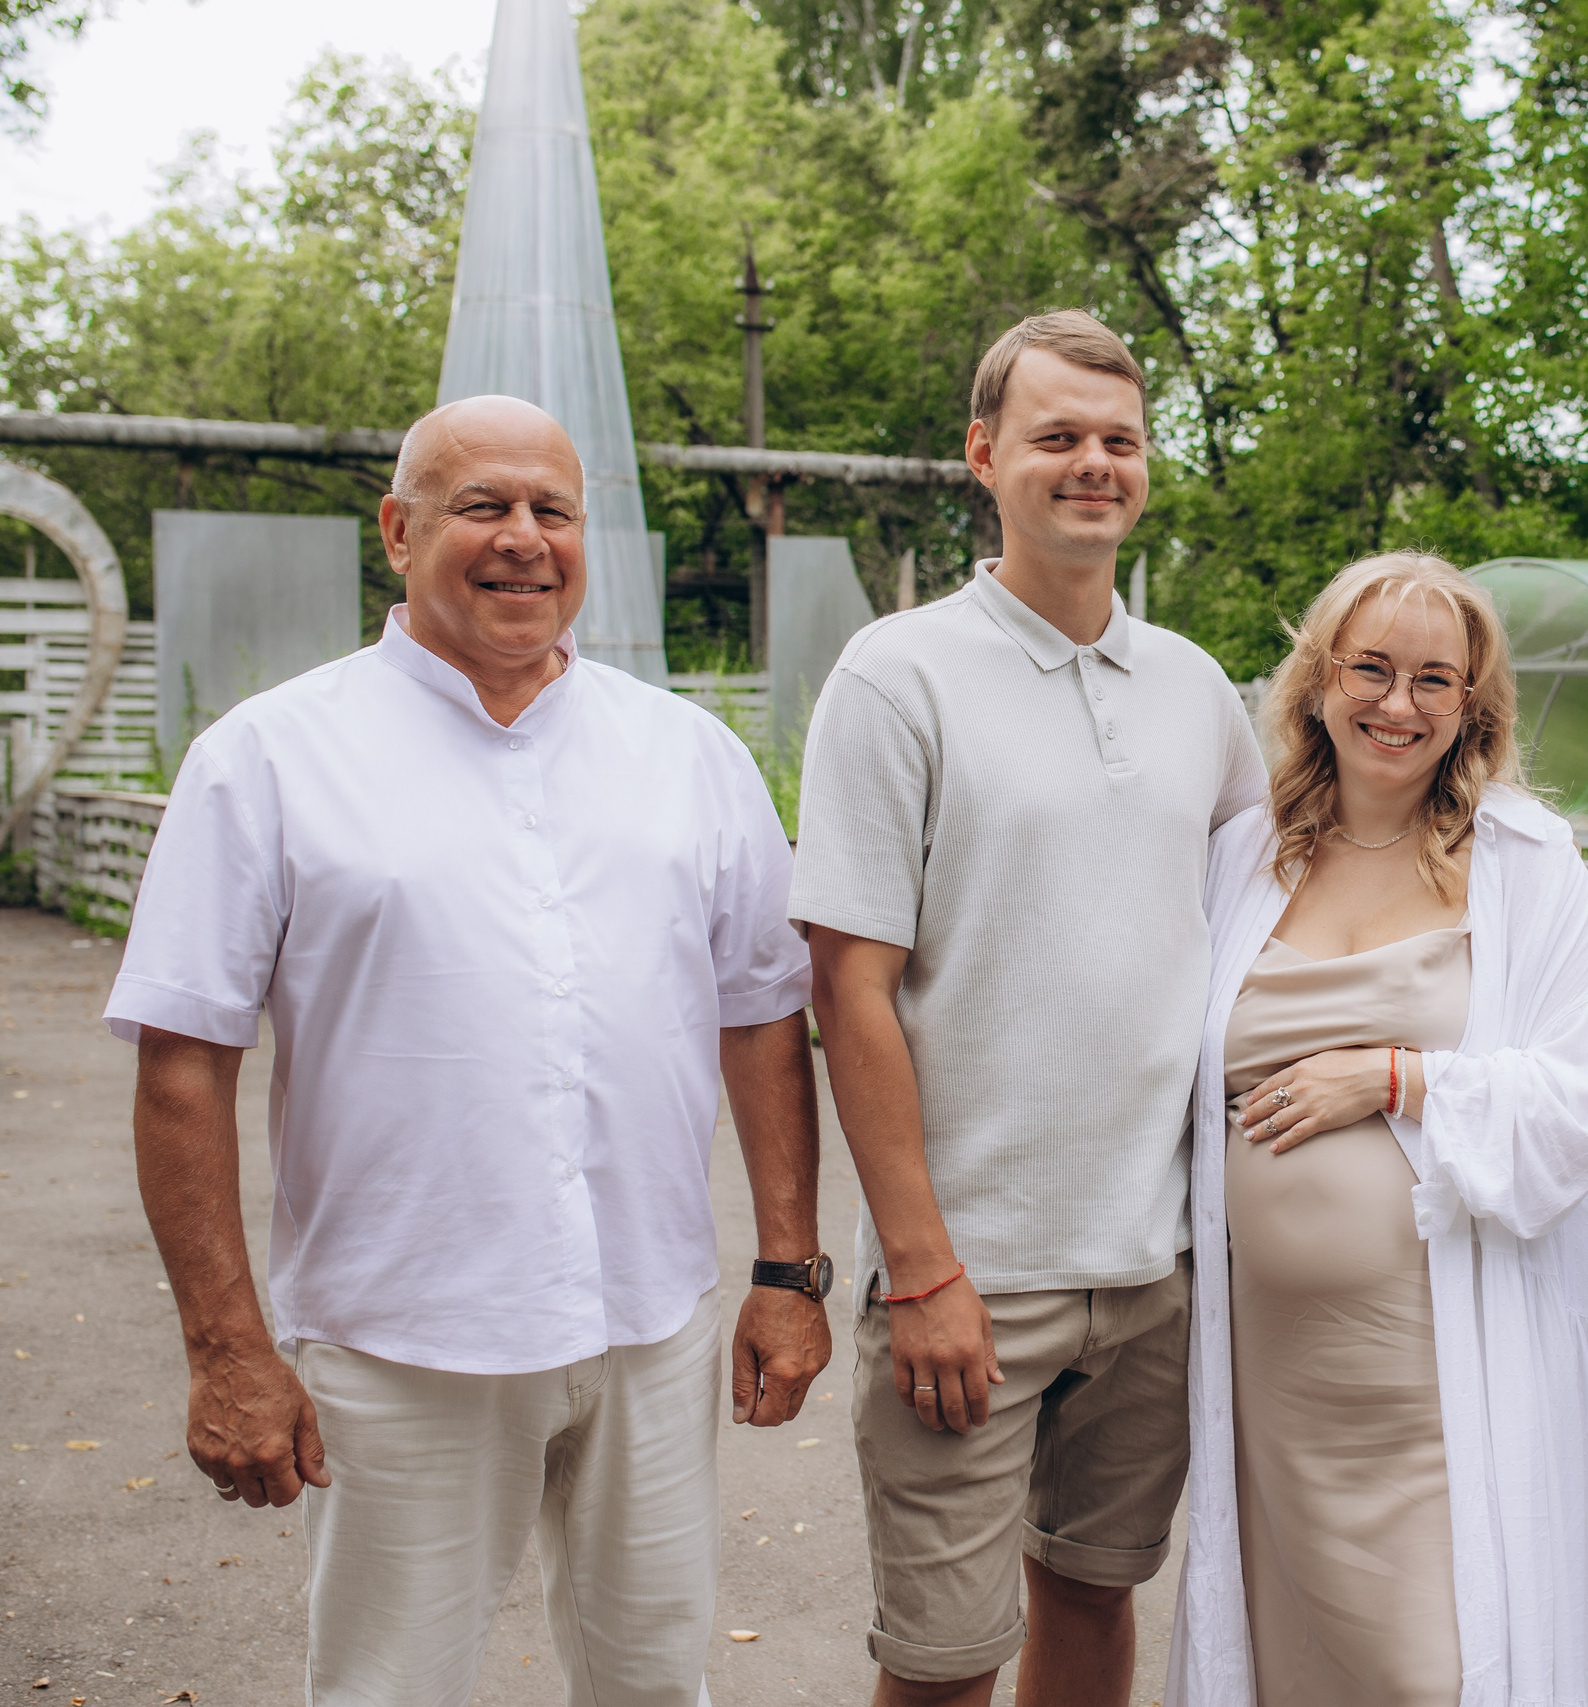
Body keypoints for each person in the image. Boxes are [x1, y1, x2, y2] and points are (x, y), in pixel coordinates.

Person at [108, 394, 830, 1707]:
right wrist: (227, 1350)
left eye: (552, 509)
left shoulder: (687, 756)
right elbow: (180, 1063)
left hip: (648, 1323)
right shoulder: (268, 760)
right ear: (398, 529)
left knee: (658, 1681)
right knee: (388, 1687)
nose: (522, 539)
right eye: (481, 506)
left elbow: (764, 1016)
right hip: (403, 1340)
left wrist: (789, 1267)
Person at [790, 309, 1267, 1707]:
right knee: (944, 1663)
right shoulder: (899, 675)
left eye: (1119, 440)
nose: (1093, 464)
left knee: (1096, 1592)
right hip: (973, 1276)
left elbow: (1265, 929)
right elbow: (849, 989)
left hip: (1159, 1261)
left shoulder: (1194, 690)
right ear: (984, 455)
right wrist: (923, 1267)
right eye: (1058, 437)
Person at [1168, 552, 1588, 1707]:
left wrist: (1397, 1078)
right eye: (1370, 668)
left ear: (1473, 705)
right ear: (1317, 680)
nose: (1398, 703)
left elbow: (1587, 1087)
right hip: (1271, 1365)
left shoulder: (1524, 861)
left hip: (1434, 1361)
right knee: (1290, 1657)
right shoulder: (1240, 854)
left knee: (1434, 1661)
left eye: (1436, 679)